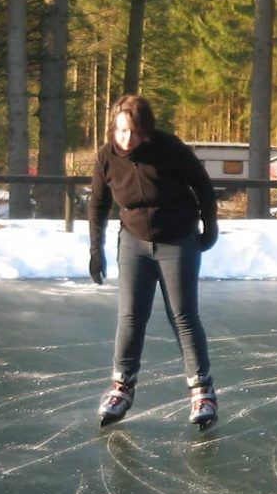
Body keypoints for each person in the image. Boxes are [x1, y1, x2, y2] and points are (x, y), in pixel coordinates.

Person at [88, 94, 219, 428]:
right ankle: (122, 386)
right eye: (120, 131)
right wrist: (95, 249)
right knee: (131, 315)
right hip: (133, 240)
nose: (126, 138)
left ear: (145, 130)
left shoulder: (169, 148)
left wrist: (210, 226)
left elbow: (202, 185)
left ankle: (202, 390)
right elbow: (98, 205)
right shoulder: (106, 157)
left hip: (176, 238)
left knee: (183, 315)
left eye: (132, 131)